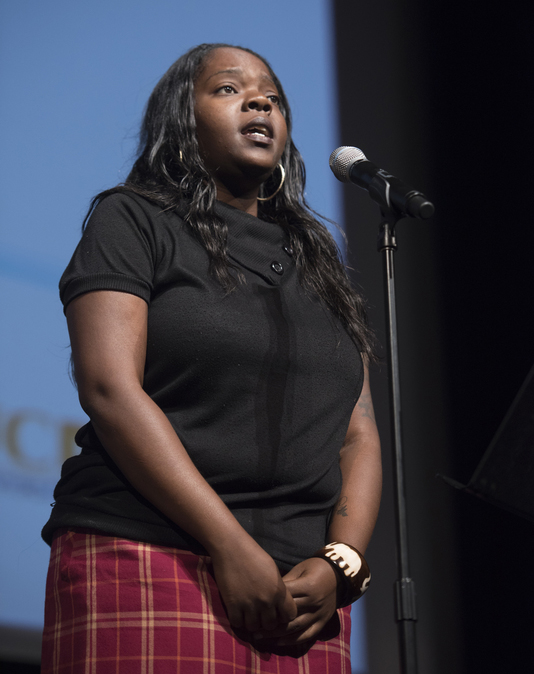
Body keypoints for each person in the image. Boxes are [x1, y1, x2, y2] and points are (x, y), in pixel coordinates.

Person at [41, 43, 382, 673]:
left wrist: (343, 561)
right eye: (228, 89)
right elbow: (110, 388)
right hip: (152, 555)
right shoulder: (134, 219)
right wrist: (231, 544)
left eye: (272, 97)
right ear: (181, 122)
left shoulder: (319, 262)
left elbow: (357, 429)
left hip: (303, 603)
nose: (259, 101)